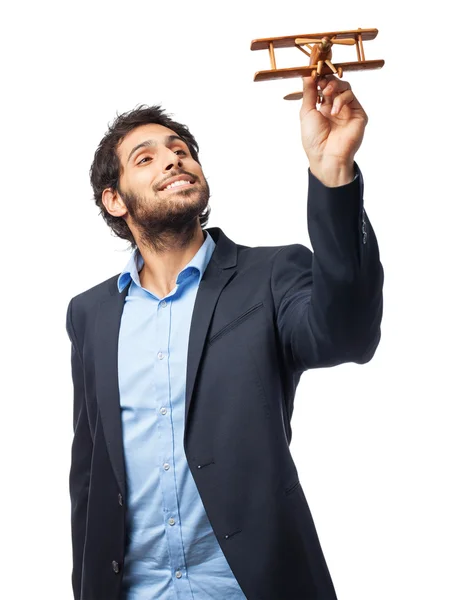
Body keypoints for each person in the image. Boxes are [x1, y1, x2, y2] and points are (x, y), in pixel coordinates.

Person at [66, 74, 384, 600]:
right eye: (145, 158)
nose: (173, 160)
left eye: (181, 150)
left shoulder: (273, 275)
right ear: (115, 201)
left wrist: (333, 177)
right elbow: (89, 470)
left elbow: (349, 336)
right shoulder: (90, 314)